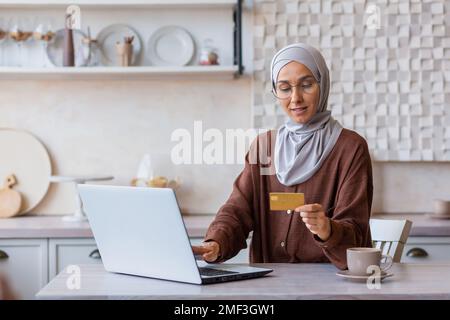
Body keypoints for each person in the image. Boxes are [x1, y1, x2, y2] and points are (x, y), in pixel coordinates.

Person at [192, 43, 373, 270]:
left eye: (306, 85)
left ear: (323, 84)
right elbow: (238, 210)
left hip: (331, 285)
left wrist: (327, 229)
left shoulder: (350, 148)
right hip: (269, 285)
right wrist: (216, 243)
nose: (295, 98)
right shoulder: (264, 146)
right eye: (285, 88)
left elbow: (356, 232)